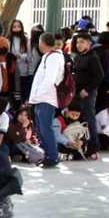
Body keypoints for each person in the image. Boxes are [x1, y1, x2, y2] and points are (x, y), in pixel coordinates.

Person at [27, 33, 64, 168]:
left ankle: (52, 156)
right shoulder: (48, 56)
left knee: (45, 128)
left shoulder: (54, 57)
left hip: (46, 98)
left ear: (42, 43)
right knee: (41, 128)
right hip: (41, 98)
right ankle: (45, 154)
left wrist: (37, 95)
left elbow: (49, 79)